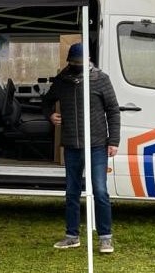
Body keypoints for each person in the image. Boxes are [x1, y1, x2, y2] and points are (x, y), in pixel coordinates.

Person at [42, 42, 121, 253]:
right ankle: (72, 236)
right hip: (71, 144)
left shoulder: (101, 79)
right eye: (73, 62)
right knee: (72, 191)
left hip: (96, 144)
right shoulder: (62, 80)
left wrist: (113, 141)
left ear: (88, 61)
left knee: (100, 190)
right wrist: (50, 114)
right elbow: (46, 101)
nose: (76, 65)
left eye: (79, 62)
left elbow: (113, 110)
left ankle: (105, 237)